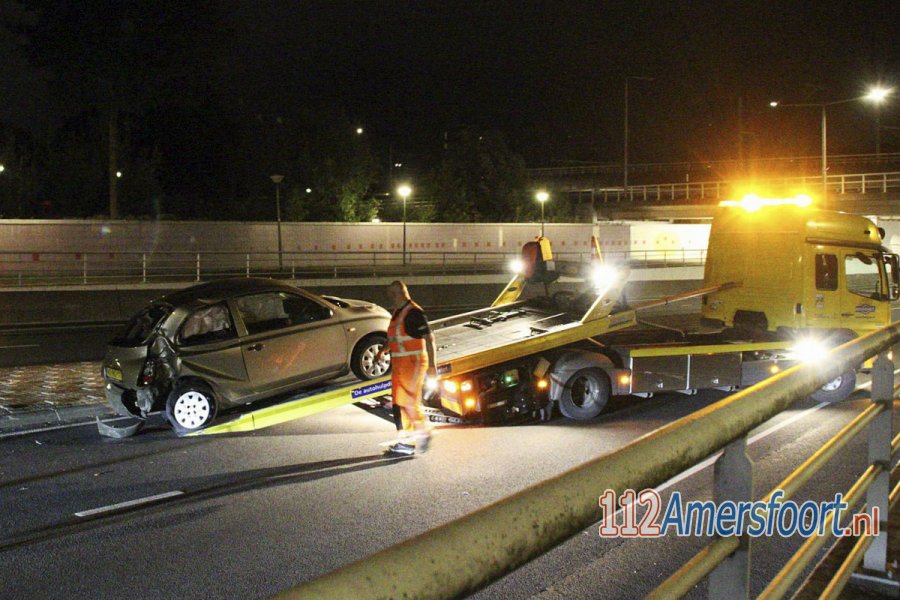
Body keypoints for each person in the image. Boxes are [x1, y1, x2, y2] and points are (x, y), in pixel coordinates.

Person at [375, 280, 437, 455]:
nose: (390, 299)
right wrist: (383, 351)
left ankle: (425, 431)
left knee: (408, 402)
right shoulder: (398, 313)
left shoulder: (414, 313)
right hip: (401, 365)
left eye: (391, 295)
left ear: (397, 294)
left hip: (413, 363)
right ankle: (406, 444)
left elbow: (429, 338)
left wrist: (432, 366)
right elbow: (394, 337)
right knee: (399, 404)